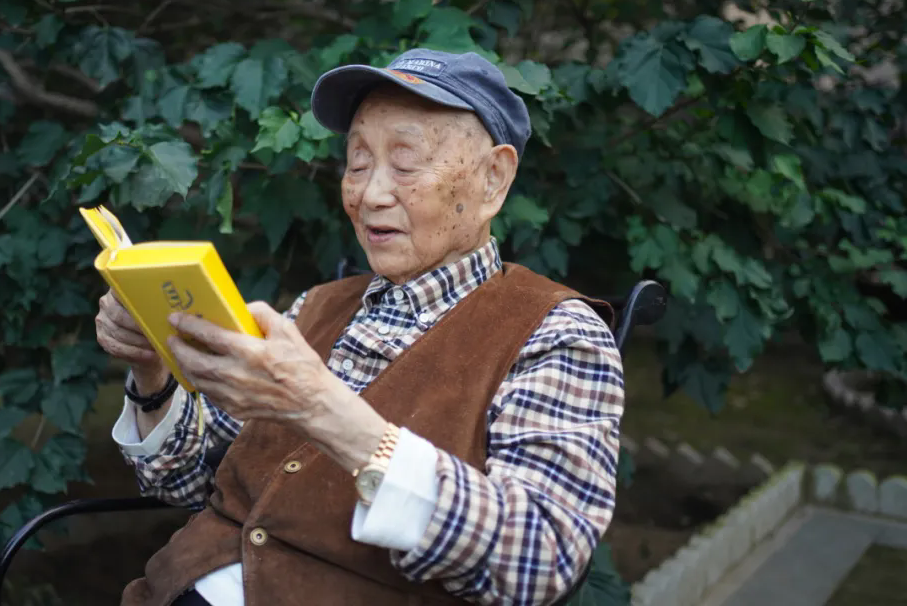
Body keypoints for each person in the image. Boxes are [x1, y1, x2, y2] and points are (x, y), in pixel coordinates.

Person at [97, 48, 625, 606]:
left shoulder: (559, 335)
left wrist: (322, 408)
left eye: (405, 163)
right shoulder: (316, 307)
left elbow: (538, 562)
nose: (370, 194)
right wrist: (152, 371)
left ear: (493, 179)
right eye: (357, 162)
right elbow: (182, 482)